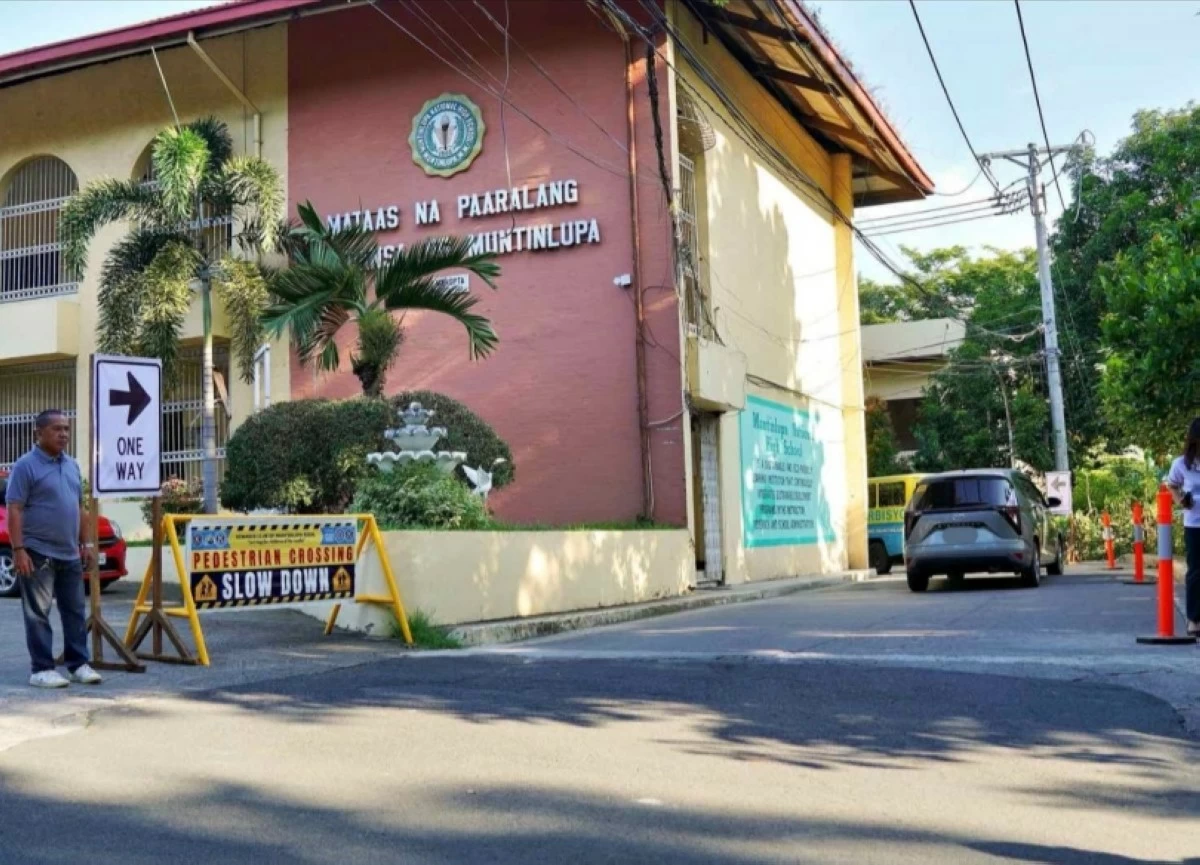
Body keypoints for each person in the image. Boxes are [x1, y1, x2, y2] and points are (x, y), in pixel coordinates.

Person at [4, 410, 102, 688]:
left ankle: (77, 665)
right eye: (57, 429)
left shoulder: (72, 465)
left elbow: (78, 507)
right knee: (38, 613)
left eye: (67, 429)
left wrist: (88, 543)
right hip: (37, 552)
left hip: (70, 552)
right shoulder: (26, 466)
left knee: (74, 611)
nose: (64, 434)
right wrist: (19, 549)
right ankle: (42, 669)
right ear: (39, 432)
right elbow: (15, 509)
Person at [1166, 416, 1200, 637]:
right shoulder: (1181, 464)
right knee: (1196, 572)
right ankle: (1194, 620)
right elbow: (1172, 485)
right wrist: (1181, 500)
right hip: (1195, 524)